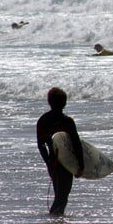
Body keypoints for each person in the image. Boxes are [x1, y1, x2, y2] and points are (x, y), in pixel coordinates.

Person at [36, 87, 84, 216]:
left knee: (60, 195)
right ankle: (55, 221)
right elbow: (76, 143)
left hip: (53, 161)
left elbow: (41, 145)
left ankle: (55, 220)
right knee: (62, 197)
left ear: (49, 102)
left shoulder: (43, 120)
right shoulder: (67, 121)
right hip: (66, 163)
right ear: (65, 103)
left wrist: (48, 163)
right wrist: (81, 165)